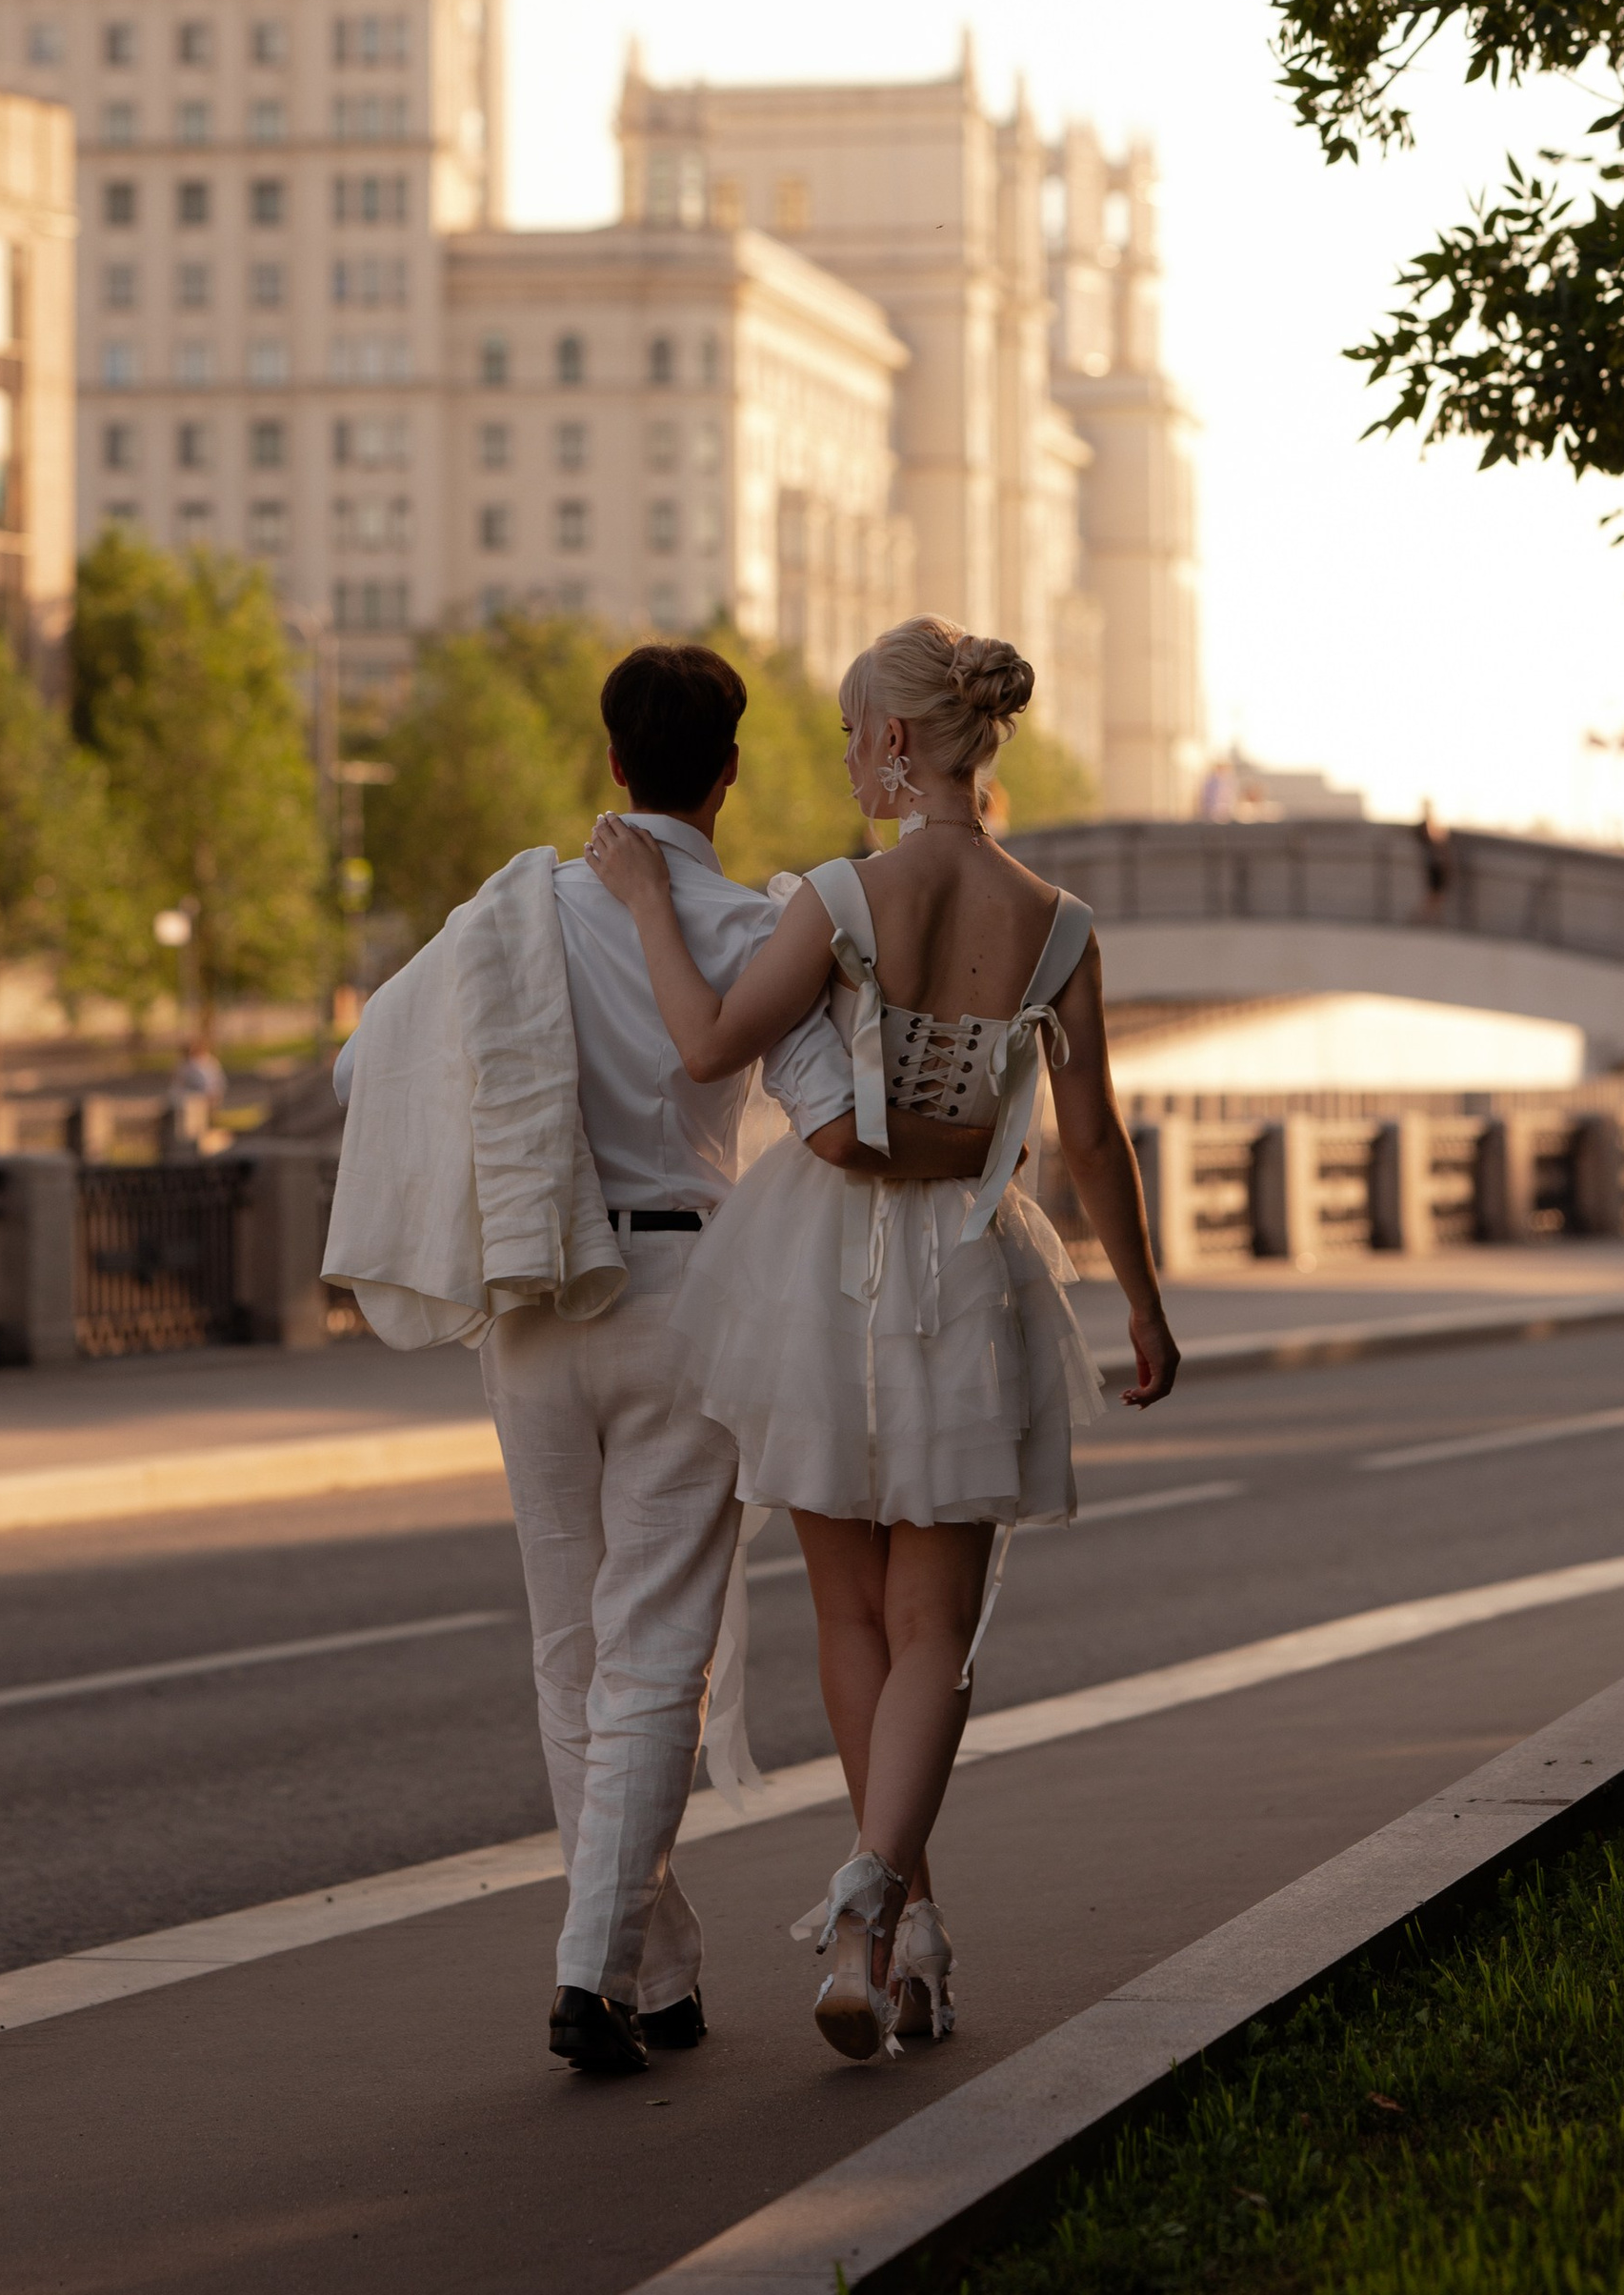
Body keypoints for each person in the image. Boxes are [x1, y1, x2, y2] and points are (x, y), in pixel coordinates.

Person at [586, 614, 1178, 2062]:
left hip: (819, 1273)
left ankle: (887, 1913)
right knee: (939, 1635)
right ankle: (880, 1910)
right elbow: (1092, 1134)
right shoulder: (1062, 922)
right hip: (968, 1270)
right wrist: (1145, 1307)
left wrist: (651, 899)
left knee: (849, 1616)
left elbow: (713, 1042)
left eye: (858, 733)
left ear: (900, 744)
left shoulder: (843, 898)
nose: (851, 756)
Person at [436, 640, 1000, 2083]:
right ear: (730, 771)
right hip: (684, 1291)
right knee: (656, 1651)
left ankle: (648, 1964)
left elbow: (369, 1077)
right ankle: (597, 1966)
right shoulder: (764, 925)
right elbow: (835, 1118)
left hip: (534, 1297)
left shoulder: (519, 909)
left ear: (613, 765)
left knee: (573, 1648)